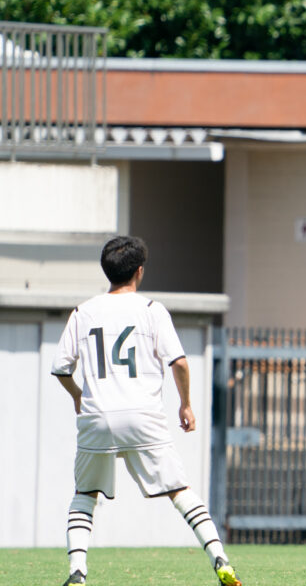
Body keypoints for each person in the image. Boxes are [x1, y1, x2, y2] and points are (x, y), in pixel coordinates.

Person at [51, 236, 242, 586]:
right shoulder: (152, 310)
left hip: (98, 416)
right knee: (180, 490)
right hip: (143, 415)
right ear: (139, 271)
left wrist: (79, 396)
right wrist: (185, 404)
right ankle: (220, 559)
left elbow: (61, 368)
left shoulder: (84, 311)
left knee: (84, 495)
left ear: (106, 270)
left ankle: (77, 572)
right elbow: (179, 362)